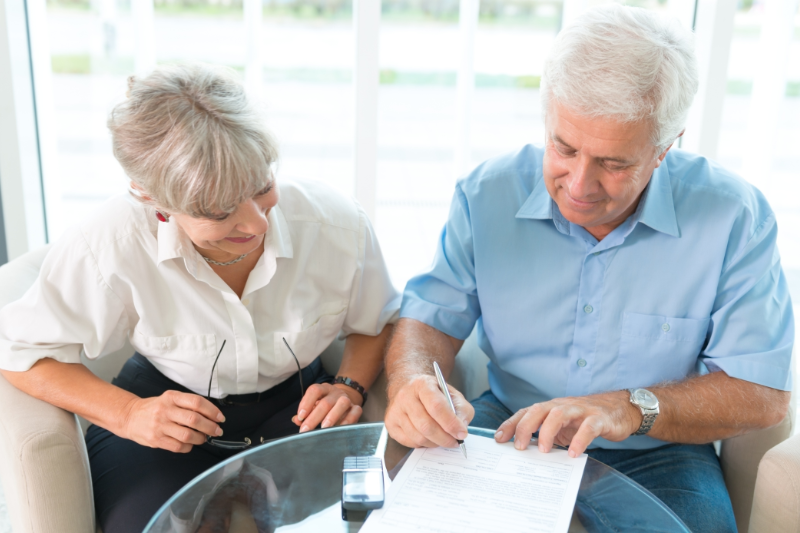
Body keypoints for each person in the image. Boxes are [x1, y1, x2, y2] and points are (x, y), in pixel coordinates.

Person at [382, 5, 793, 532]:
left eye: (614, 163)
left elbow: (762, 393)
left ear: (666, 149)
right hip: (507, 425)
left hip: (658, 450)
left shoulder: (735, 217)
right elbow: (429, 318)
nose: (578, 185)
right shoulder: (486, 194)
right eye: (564, 147)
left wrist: (625, 407)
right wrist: (414, 378)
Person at [0, 63, 399, 533]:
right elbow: (17, 352)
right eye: (220, 210)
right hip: (161, 415)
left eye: (261, 187)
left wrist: (349, 385)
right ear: (153, 200)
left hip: (299, 409)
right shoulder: (107, 246)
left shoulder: (335, 225)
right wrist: (128, 414)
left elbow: (378, 321)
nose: (257, 225)